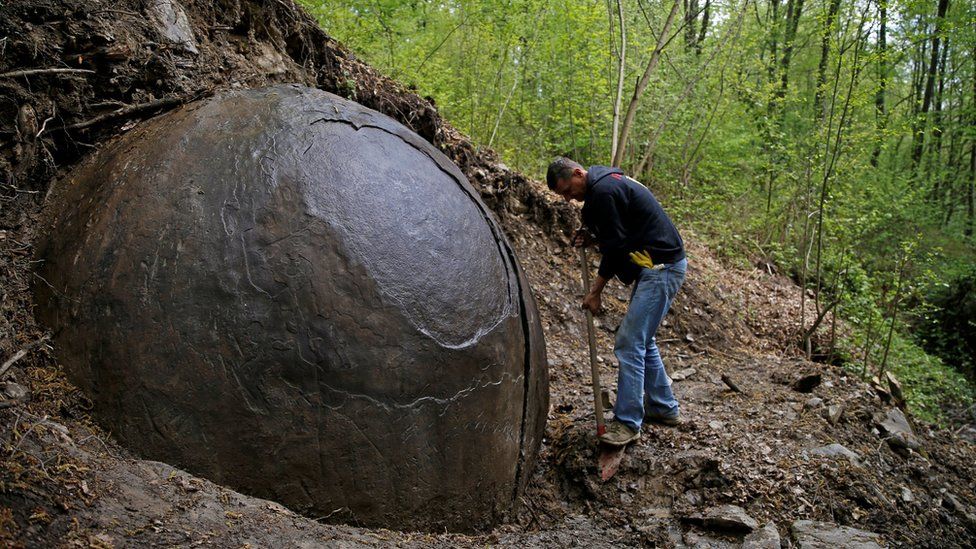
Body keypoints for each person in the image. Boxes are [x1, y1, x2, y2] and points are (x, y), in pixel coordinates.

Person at [546, 157, 687, 447]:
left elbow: (616, 247)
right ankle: (663, 407)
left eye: (568, 191)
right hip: (658, 265)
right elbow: (618, 233)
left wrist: (595, 291)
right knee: (642, 340)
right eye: (563, 196)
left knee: (629, 341)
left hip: (661, 268)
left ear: (577, 173)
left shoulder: (605, 191)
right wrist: (593, 237)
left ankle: (627, 423)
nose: (569, 199)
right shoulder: (606, 186)